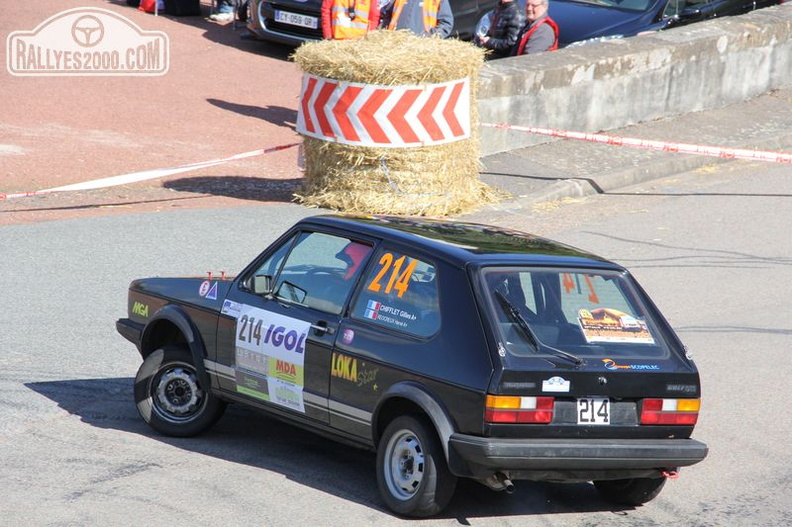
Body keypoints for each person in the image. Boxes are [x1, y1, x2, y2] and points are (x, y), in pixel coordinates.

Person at [379, 0, 454, 38]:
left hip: (421, 49)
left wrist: (431, 37)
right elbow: (387, 15)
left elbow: (446, 22)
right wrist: (386, 34)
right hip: (396, 45)